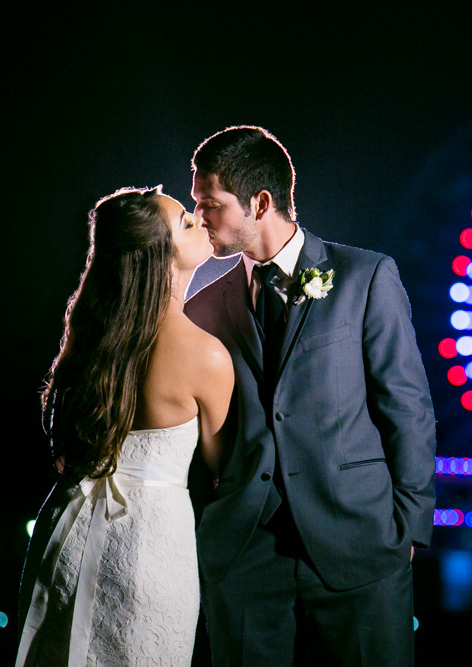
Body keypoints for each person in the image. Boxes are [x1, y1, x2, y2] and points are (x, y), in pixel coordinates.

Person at [184, 125, 436, 665]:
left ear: (261, 202)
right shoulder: (202, 307)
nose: (200, 217)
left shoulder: (365, 277)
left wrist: (409, 526)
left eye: (210, 203)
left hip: (361, 543)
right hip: (245, 554)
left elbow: (406, 405)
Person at [16, 187, 234, 666]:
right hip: (149, 548)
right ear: (161, 255)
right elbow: (226, 469)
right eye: (184, 222)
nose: (199, 219)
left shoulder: (93, 336)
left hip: (66, 534)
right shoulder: (207, 355)